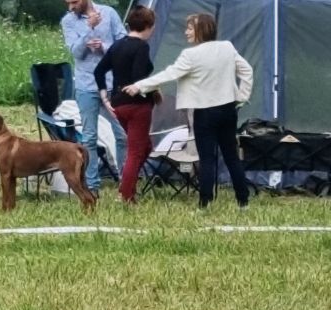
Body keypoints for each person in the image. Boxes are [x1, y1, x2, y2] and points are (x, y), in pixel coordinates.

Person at [123, 12, 253, 209]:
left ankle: (205, 204)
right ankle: (243, 202)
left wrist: (139, 86)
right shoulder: (227, 47)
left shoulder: (190, 55)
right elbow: (247, 71)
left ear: (201, 30)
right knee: (231, 157)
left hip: (205, 113)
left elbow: (169, 74)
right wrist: (241, 98)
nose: (186, 32)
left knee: (206, 159)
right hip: (228, 110)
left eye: (190, 28)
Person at [61, 0, 128, 197]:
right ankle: (92, 187)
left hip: (111, 84)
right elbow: (75, 52)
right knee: (89, 137)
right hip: (86, 85)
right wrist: (88, 30)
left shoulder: (109, 13)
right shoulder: (68, 21)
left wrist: (105, 47)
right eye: (68, 3)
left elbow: (124, 44)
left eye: (74, 2)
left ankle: (126, 182)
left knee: (122, 134)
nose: (71, 6)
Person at [94, 5, 157, 204]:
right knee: (135, 151)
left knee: (145, 145)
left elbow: (98, 71)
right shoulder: (142, 47)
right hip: (137, 106)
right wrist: (153, 89)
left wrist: (105, 96)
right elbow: (139, 77)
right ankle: (126, 195)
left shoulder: (117, 45)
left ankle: (127, 183)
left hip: (118, 104)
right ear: (147, 26)